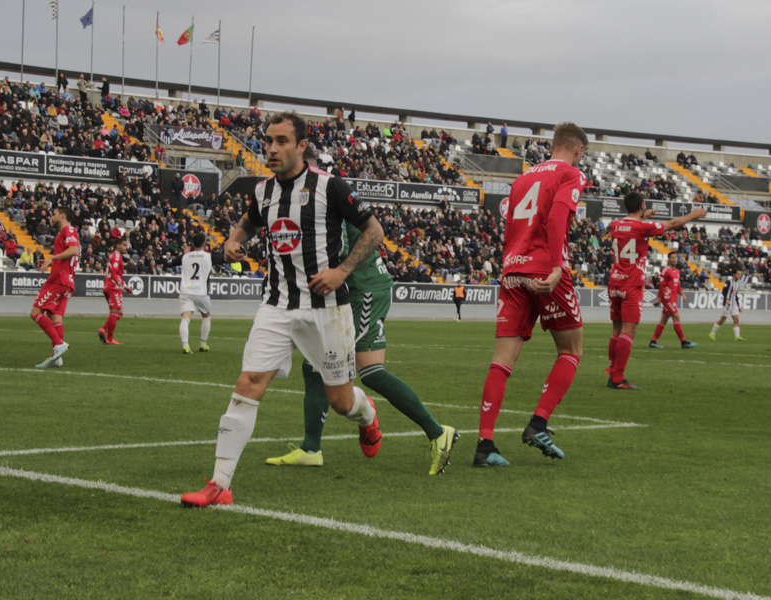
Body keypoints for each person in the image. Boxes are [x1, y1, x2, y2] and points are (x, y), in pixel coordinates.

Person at [181, 111, 384, 508]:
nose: (271, 148)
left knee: (341, 402)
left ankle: (366, 414)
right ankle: (220, 485)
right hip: (276, 305)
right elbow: (247, 223)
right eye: (268, 141)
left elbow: (374, 231)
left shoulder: (331, 187)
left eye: (281, 141)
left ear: (302, 146)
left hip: (326, 309)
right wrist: (232, 241)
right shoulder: (262, 191)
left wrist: (342, 272)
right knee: (248, 384)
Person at [266, 151, 457, 475]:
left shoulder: (324, 193)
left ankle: (438, 433)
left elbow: (336, 243)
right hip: (343, 291)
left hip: (365, 287)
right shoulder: (310, 195)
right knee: (314, 366)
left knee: (370, 371)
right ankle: (311, 448)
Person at [474, 122, 589, 468]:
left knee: (502, 361)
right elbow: (556, 220)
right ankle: (538, 423)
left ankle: (484, 446)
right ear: (578, 150)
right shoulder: (571, 175)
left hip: (513, 270)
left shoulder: (522, 179)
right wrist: (556, 267)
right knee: (571, 350)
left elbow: (509, 227)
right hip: (546, 270)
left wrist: (510, 268)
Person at [607, 193, 707, 390]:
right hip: (631, 284)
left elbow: (631, 228)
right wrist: (693, 215)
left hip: (614, 282)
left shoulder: (615, 225)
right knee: (630, 330)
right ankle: (618, 379)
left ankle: (612, 373)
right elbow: (672, 223)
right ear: (642, 205)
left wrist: (643, 217)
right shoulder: (642, 228)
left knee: (616, 330)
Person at [29, 206, 78, 368]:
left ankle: (59, 344)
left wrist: (51, 259)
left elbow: (73, 250)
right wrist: (52, 262)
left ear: (62, 215)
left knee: (35, 312)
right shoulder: (66, 232)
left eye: (55, 214)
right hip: (67, 282)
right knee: (56, 318)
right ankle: (56, 358)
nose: (52, 216)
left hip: (58, 280)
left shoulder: (68, 230)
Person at [172, 232, 224, 354]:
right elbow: (223, 258)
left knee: (185, 318)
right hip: (201, 291)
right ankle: (203, 344)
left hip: (186, 290)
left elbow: (172, 262)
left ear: (192, 244)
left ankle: (185, 345)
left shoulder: (185, 257)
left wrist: (184, 254)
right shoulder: (208, 256)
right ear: (205, 244)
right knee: (206, 315)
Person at [649, 251, 697, 349]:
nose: (674, 259)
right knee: (676, 317)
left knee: (664, 320)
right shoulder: (665, 271)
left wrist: (682, 294)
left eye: (675, 257)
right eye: (672, 257)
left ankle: (653, 341)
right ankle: (683, 342)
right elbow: (661, 286)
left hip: (673, 298)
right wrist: (659, 299)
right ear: (668, 259)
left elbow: (678, 285)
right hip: (667, 298)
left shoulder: (677, 272)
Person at [98, 232, 132, 345]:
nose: (125, 247)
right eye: (124, 245)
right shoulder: (117, 257)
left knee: (119, 313)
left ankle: (103, 330)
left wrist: (125, 286)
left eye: (126, 245)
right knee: (115, 311)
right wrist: (118, 282)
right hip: (113, 287)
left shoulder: (113, 256)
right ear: (118, 245)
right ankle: (110, 339)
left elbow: (116, 273)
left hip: (109, 286)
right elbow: (114, 271)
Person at [710, 269, 749, 341]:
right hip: (727, 304)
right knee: (722, 320)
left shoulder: (738, 283)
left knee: (736, 319)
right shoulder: (728, 282)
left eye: (740, 274)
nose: (739, 275)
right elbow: (723, 292)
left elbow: (735, 295)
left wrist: (739, 305)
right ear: (734, 275)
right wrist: (726, 299)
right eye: (738, 274)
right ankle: (712, 333)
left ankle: (737, 337)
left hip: (734, 304)